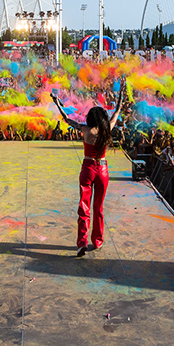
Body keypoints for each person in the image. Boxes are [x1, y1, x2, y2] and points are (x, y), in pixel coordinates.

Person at [52, 80, 125, 257]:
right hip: (103, 170)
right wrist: (121, 95)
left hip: (87, 168)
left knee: (83, 207)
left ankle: (81, 242)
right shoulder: (108, 129)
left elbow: (67, 119)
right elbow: (117, 111)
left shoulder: (85, 130)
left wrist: (57, 103)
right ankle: (97, 241)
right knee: (98, 207)